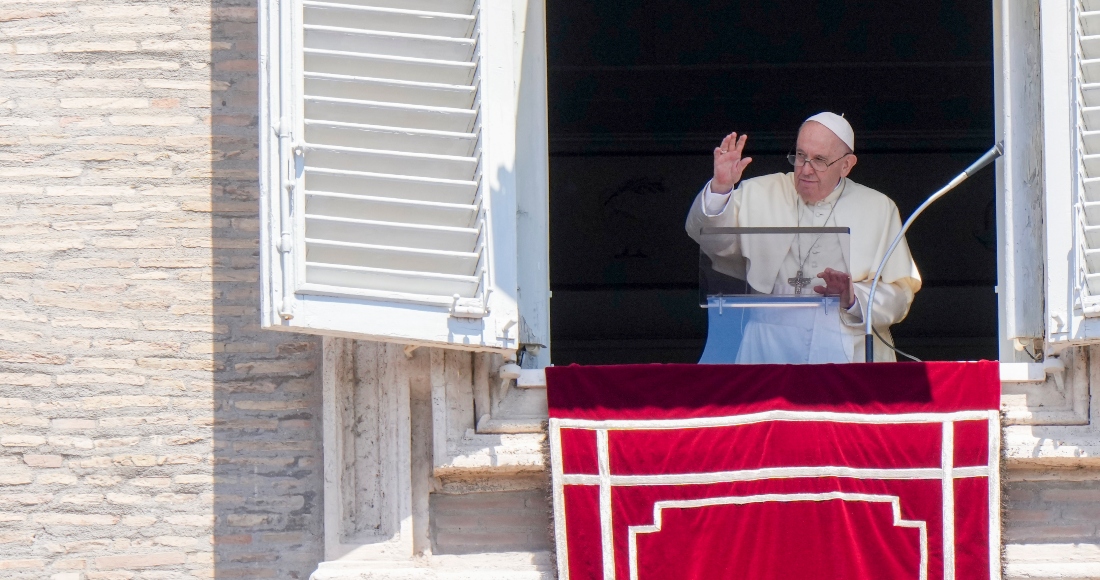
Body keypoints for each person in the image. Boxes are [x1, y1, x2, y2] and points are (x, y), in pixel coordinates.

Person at [685, 112, 921, 362]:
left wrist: (853, 298)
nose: (806, 170)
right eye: (800, 156)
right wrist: (720, 188)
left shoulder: (878, 208)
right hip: (768, 345)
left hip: (846, 347)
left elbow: (900, 293)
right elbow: (711, 240)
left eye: (819, 160)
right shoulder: (760, 192)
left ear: (846, 165)